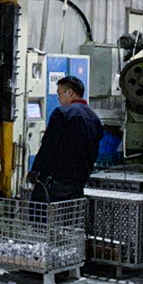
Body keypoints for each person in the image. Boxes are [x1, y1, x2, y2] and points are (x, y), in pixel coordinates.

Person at [28, 75, 103, 203]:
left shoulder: (62, 113)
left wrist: (35, 171)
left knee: (39, 211)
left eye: (59, 94)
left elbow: (48, 146)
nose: (58, 98)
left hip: (54, 182)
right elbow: (94, 151)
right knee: (69, 213)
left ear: (70, 93)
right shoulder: (94, 118)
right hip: (78, 183)